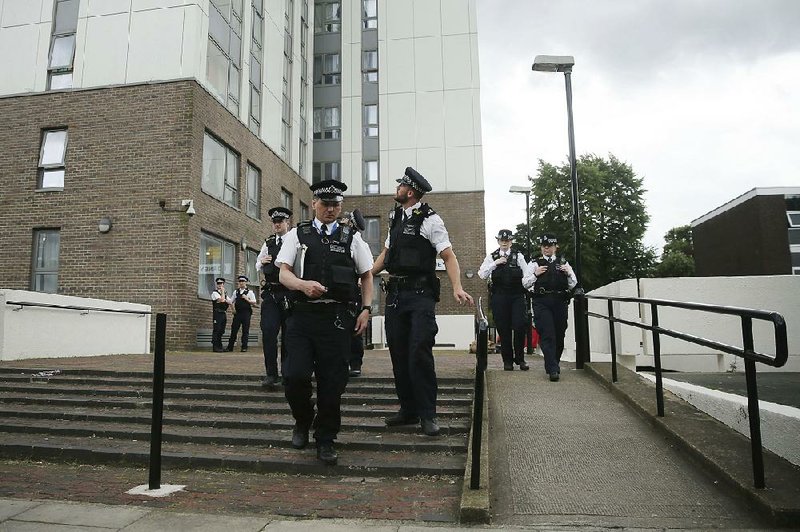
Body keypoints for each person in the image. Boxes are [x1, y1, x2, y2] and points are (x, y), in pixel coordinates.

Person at [275, 180, 373, 466]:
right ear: (314, 204)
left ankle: (326, 438)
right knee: (295, 376)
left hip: (337, 320)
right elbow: (283, 273)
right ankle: (303, 420)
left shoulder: (351, 237)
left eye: (335, 205)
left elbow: (366, 275)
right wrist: (303, 286)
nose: (330, 209)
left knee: (333, 382)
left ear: (340, 206)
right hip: (302, 317)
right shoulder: (298, 234)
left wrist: (366, 309)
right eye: (325, 204)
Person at [372, 167, 474, 437]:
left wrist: (457, 287)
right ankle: (408, 410)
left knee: (419, 353)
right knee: (399, 354)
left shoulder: (431, 220)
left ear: (411, 191)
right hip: (395, 296)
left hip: (420, 296)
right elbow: (385, 254)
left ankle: (428, 414)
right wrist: (366, 274)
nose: (397, 189)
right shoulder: (394, 217)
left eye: (401, 186)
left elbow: (449, 256)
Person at [522, 234, 577, 381]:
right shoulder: (534, 263)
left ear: (555, 247)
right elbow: (525, 283)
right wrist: (535, 274)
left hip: (559, 301)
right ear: (541, 247)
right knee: (548, 334)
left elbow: (573, 283)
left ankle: (554, 363)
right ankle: (553, 369)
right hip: (542, 301)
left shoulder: (563, 263)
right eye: (544, 246)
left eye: (550, 245)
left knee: (559, 334)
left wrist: (568, 273)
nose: (547, 248)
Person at [478, 229, 529, 371]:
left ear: (511, 241)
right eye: (502, 240)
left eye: (507, 240)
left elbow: (527, 275)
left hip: (517, 295)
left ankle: (520, 358)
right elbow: (482, 274)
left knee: (519, 326)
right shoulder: (492, 257)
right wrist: (495, 264)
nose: (505, 243)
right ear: (498, 241)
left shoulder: (518, 256)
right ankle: (507, 361)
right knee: (503, 328)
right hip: (499, 296)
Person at [256, 206, 293, 388]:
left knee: (288, 335)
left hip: (288, 293)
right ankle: (271, 373)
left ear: (288, 222)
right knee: (269, 331)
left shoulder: (294, 240)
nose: (277, 225)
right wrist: (261, 262)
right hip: (271, 293)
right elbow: (257, 263)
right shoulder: (269, 242)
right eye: (275, 222)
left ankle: (287, 373)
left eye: (281, 222)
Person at [339, 209, 368, 378]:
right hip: (339, 290)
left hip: (352, 291)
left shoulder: (357, 240)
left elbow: (367, 268)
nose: (342, 220)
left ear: (351, 223)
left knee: (354, 329)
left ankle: (355, 363)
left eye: (346, 219)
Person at [226, 275, 257, 352]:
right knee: (234, 330)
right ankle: (230, 347)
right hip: (238, 313)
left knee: (245, 330)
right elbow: (231, 301)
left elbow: (254, 302)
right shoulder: (236, 292)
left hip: (246, 313)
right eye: (240, 281)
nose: (241, 283)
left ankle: (244, 347)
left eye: (243, 281)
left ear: (246, 282)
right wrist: (232, 308)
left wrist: (247, 299)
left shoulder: (250, 292)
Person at [210, 277, 229, 352]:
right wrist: (223, 293)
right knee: (216, 330)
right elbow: (222, 300)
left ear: (223, 284)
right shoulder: (215, 293)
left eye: (221, 283)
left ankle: (219, 346)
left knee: (221, 330)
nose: (219, 285)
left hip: (223, 313)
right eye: (218, 283)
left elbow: (230, 301)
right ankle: (215, 346)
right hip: (217, 313)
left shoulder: (224, 294)